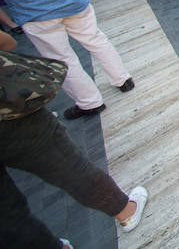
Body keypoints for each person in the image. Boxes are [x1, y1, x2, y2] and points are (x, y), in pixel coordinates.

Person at [0, 33, 148, 246]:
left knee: (6, 216)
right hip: (10, 117)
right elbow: (7, 42)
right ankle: (125, 210)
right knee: (69, 168)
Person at [0, 0, 135, 119]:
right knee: (96, 40)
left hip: (35, 12)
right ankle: (122, 79)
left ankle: (90, 102)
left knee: (62, 57)